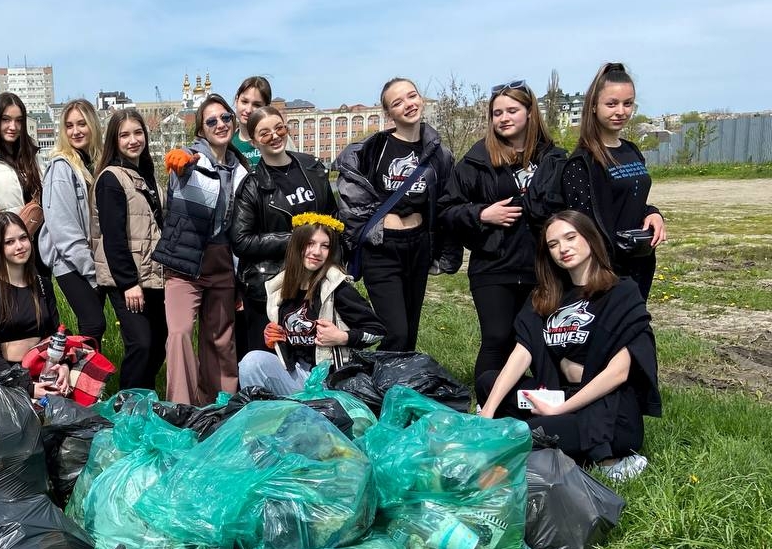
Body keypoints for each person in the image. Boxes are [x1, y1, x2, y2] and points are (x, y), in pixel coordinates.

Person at [478, 210, 660, 482]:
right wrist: (488, 412)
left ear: (589, 238)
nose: (563, 248)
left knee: (525, 434)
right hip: (559, 394)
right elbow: (522, 354)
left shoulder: (621, 293)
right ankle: (548, 437)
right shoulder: (546, 296)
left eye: (570, 237)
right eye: (553, 244)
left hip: (606, 409)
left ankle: (613, 459)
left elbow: (618, 373)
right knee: (487, 383)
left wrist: (558, 410)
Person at [441, 81, 567, 390]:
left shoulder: (554, 158)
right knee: (498, 337)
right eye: (497, 113)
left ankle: (539, 405)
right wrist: (481, 214)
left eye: (512, 110)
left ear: (529, 112)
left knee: (538, 338)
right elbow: (446, 210)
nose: (504, 118)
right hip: (493, 265)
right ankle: (488, 405)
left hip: (543, 266)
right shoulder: (476, 160)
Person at [333, 77, 455, 352]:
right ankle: (382, 386)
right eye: (397, 102)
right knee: (394, 330)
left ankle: (400, 386)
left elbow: (445, 203)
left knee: (410, 330)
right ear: (389, 113)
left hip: (418, 245)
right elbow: (352, 199)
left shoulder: (439, 154)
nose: (408, 105)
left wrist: (444, 251)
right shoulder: (372, 149)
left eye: (412, 96)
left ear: (420, 99)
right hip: (383, 248)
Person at [154, 93, 248, 405]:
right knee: (180, 333)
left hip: (222, 260)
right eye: (211, 121)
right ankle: (181, 408)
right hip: (185, 260)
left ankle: (220, 405)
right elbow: (179, 164)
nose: (220, 124)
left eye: (225, 118)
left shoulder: (241, 170)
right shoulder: (191, 160)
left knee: (220, 338)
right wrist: (178, 160)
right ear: (201, 130)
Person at [238, 213, 386, 395]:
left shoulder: (337, 288)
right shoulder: (281, 287)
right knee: (251, 362)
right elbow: (294, 339)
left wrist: (342, 337)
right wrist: (277, 339)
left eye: (325, 246)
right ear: (296, 246)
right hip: (298, 375)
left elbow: (377, 331)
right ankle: (262, 419)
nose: (317, 252)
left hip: (330, 382)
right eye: (310, 244)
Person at [232, 104, 335, 355]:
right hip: (274, 283)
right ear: (255, 142)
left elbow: (333, 217)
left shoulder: (312, 168)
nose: (274, 136)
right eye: (264, 133)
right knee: (270, 358)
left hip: (316, 279)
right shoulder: (253, 185)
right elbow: (242, 241)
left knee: (315, 356)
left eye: (279, 128)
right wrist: (296, 241)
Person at [558, 62, 667, 299]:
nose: (621, 111)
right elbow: (582, 227)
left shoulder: (632, 151)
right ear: (594, 107)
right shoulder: (582, 162)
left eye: (627, 104)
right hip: (605, 271)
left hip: (640, 262)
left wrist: (653, 213)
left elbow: (631, 199)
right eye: (612, 104)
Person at [92, 109, 168, 391]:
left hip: (154, 277)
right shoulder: (111, 179)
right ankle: (128, 409)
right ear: (115, 139)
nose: (133, 140)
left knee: (158, 343)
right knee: (141, 344)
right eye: (125, 135)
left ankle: (144, 402)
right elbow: (112, 237)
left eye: (138, 133)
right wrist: (128, 283)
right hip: (128, 281)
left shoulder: (146, 176)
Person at [0, 211, 70, 400]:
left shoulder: (43, 285)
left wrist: (65, 366)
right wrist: (27, 387)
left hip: (45, 371)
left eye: (23, 238)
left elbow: (56, 335)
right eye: (9, 242)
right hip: (10, 378)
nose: (19, 246)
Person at [40, 98, 107, 349]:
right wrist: (92, 270)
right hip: (69, 260)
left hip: (94, 257)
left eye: (82, 124)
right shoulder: (61, 167)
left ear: (93, 126)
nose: (75, 131)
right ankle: (79, 383)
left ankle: (86, 383)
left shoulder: (97, 163)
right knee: (93, 324)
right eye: (69, 126)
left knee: (93, 328)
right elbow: (63, 228)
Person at [0, 92, 43, 264]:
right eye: (6, 119)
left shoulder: (32, 157)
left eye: (19, 120)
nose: (13, 126)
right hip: (10, 253)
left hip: (40, 250)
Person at [231, 75, 272, 169]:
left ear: (266, 107)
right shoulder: (227, 144)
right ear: (237, 101)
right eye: (244, 102)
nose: (248, 110)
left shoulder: (276, 138)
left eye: (257, 105)